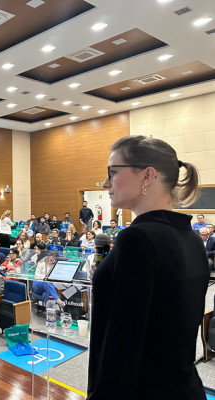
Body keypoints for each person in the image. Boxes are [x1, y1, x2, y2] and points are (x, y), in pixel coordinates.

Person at [88, 135, 209, 399]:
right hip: (184, 387)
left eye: (113, 172)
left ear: (147, 175)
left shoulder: (137, 239)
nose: (106, 183)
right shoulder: (190, 237)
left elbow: (123, 348)